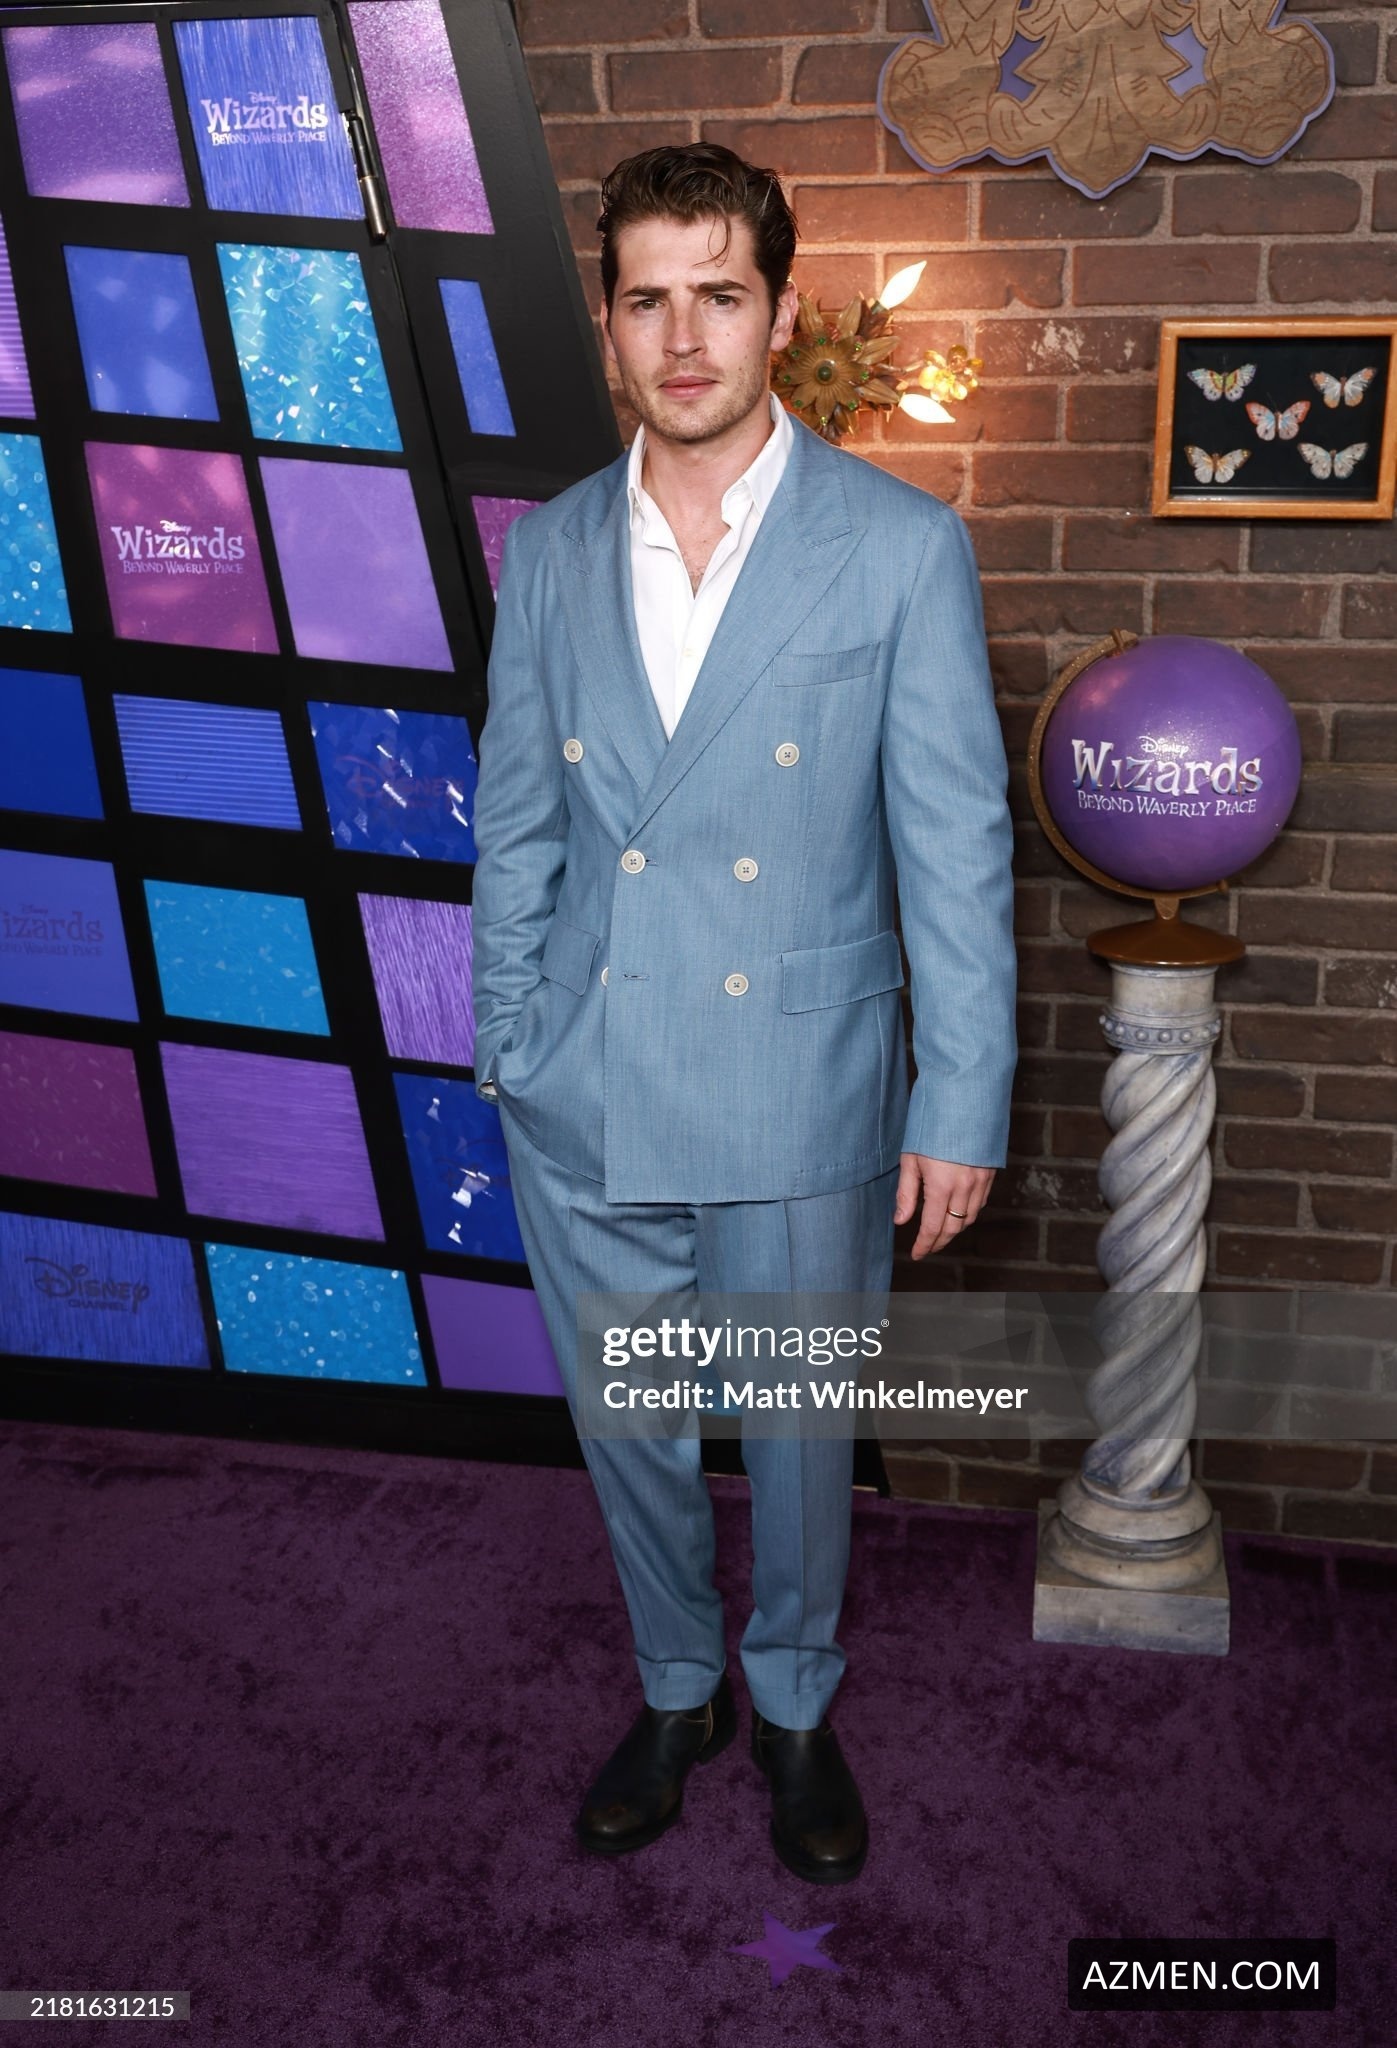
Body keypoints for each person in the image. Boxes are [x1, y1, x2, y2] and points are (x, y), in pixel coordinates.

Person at [470, 143, 1016, 1885]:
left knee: (791, 1432)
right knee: (626, 1426)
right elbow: (516, 823)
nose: (684, 337)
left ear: (781, 312)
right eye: (647, 300)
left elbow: (953, 846)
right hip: (588, 1074)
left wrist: (960, 1099)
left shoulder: (899, 548)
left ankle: (790, 1699)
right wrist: (509, 1040)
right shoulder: (551, 549)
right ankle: (675, 1684)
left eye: (720, 294)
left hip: (803, 1079)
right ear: (610, 324)